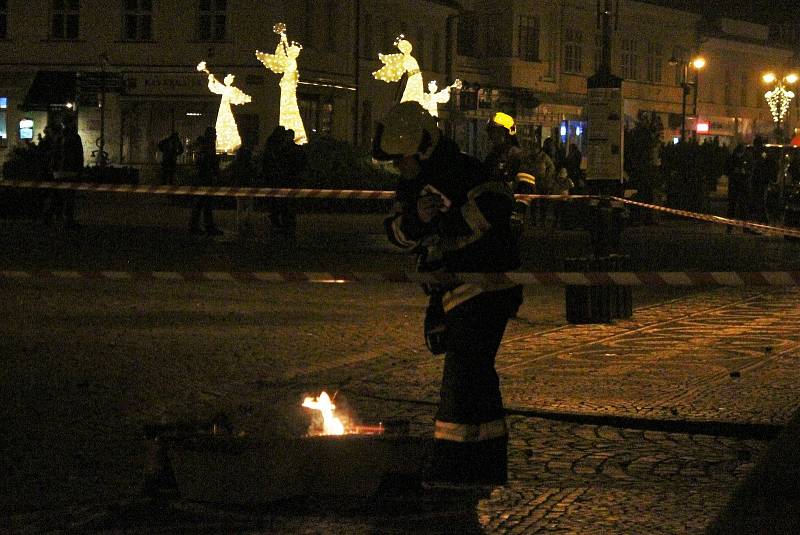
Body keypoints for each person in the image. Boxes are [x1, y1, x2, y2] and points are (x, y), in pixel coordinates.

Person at [373, 101, 523, 487]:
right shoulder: (411, 185)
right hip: (452, 292)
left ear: (421, 149)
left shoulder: (465, 171)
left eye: (402, 159)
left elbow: (499, 204)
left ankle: (458, 467)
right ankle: (480, 465)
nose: (398, 167)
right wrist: (418, 220)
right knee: (472, 376)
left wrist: (447, 226)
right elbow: (396, 235)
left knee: (465, 375)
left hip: (486, 287)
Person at [484, 112, 535, 236]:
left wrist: (518, 212)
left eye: (495, 132)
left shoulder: (517, 155)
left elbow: (526, 184)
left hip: (509, 215)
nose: (491, 137)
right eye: (490, 132)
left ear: (507, 133)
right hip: (490, 214)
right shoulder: (492, 156)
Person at [261, 126, 305, 238]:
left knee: (281, 204)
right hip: (288, 180)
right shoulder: (288, 149)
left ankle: (280, 223)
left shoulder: (277, 149)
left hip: (280, 180)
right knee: (287, 205)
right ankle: (286, 225)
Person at [189, 127, 223, 236]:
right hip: (204, 179)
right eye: (214, 134)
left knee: (202, 204)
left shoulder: (205, 146)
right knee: (204, 203)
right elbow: (206, 162)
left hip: (204, 178)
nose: (216, 136)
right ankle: (204, 226)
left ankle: (199, 226)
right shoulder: (207, 146)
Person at [748, 136, 777, 225]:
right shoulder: (761, 153)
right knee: (758, 201)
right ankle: (761, 219)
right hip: (759, 180)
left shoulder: (762, 153)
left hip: (761, 180)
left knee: (759, 201)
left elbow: (761, 163)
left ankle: (763, 219)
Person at [724, 143, 749, 232]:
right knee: (735, 207)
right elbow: (727, 170)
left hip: (739, 185)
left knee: (738, 207)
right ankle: (732, 227)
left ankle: (734, 227)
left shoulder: (743, 158)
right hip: (737, 184)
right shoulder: (735, 158)